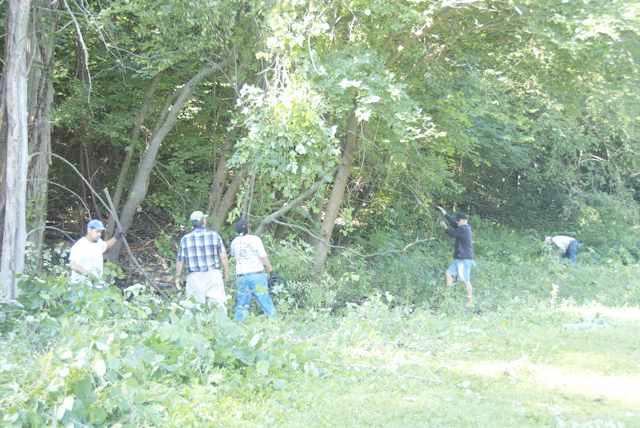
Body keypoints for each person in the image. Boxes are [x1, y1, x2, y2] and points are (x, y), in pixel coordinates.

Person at [175, 211, 229, 308]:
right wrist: (225, 273)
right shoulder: (214, 235)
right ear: (204, 221)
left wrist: (177, 277)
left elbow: (180, 260)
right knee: (218, 307)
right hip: (213, 275)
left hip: (194, 277)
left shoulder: (185, 239)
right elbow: (223, 257)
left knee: (194, 308)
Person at [229, 217, 275, 322]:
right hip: (257, 277)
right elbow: (263, 257)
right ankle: (273, 322)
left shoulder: (234, 242)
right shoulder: (255, 239)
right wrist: (271, 271)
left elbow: (233, 255)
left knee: (242, 304)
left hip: (242, 278)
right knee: (264, 300)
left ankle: (238, 325)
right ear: (247, 228)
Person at [437, 206, 475, 307]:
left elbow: (452, 233)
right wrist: (444, 213)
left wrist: (444, 226)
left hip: (464, 259)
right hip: (459, 258)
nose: (456, 222)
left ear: (463, 220)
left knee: (466, 280)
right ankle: (448, 298)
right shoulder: (462, 226)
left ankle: (470, 302)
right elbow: (453, 223)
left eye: (458, 220)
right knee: (448, 274)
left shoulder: (465, 229)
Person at [69, 219, 122, 288]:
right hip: (81, 286)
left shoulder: (98, 242)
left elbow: (106, 245)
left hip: (96, 285)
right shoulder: (80, 245)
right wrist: (89, 275)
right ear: (89, 230)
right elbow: (73, 265)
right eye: (97, 231)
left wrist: (116, 237)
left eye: (100, 232)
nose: (99, 234)